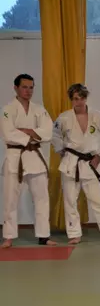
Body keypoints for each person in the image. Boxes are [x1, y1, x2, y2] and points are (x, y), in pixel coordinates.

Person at [52, 84, 100, 245]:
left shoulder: (97, 116)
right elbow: (55, 135)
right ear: (71, 100)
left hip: (89, 163)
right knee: (70, 200)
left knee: (99, 200)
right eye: (75, 99)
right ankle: (74, 234)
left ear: (86, 98)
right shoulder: (64, 117)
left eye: (81, 98)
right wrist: (61, 151)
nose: (78, 102)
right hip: (70, 163)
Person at [1, 74, 56, 248]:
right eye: (25, 87)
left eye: (31, 87)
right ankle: (9, 236)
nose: (28, 91)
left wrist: (28, 131)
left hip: (35, 157)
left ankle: (43, 236)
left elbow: (48, 131)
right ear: (16, 88)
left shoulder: (40, 109)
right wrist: (33, 134)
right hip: (15, 157)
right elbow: (8, 133)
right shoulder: (7, 109)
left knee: (42, 198)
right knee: (10, 199)